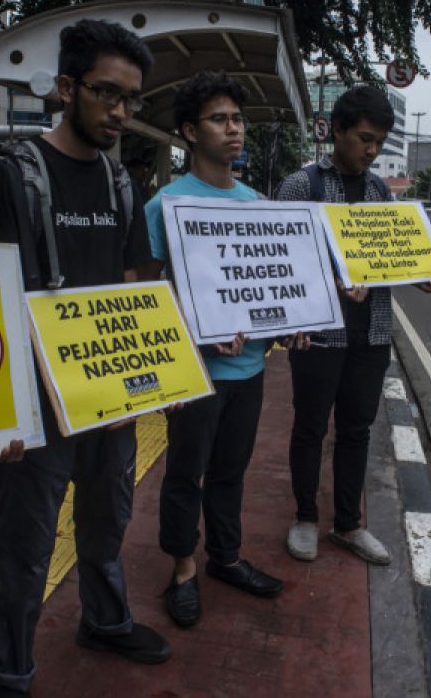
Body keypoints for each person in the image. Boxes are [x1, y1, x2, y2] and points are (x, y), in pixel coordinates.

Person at [0, 18, 167, 697]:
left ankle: (105, 620)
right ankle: (8, 675)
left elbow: (134, 287)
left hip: (107, 401)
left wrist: (134, 391)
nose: (120, 112)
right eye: (106, 93)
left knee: (107, 520)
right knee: (22, 548)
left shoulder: (122, 187)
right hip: (36, 407)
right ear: (65, 88)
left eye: (131, 99)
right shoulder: (8, 180)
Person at [138, 72, 307, 627]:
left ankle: (225, 557)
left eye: (237, 118)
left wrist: (293, 320)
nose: (234, 129)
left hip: (250, 368)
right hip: (194, 372)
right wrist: (190, 335)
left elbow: (270, 281)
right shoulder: (166, 205)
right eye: (219, 119)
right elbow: (145, 295)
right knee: (187, 472)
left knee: (231, 470)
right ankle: (183, 567)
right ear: (190, 131)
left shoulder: (257, 201)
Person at [274, 86, 431, 565]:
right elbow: (279, 263)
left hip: (370, 333)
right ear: (337, 131)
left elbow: (391, 257)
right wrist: (331, 283)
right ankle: (306, 517)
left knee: (357, 429)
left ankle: (348, 524)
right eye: (365, 139)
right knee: (310, 427)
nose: (372, 151)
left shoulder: (379, 193)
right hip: (317, 334)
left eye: (379, 142)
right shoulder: (299, 186)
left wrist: (422, 275)